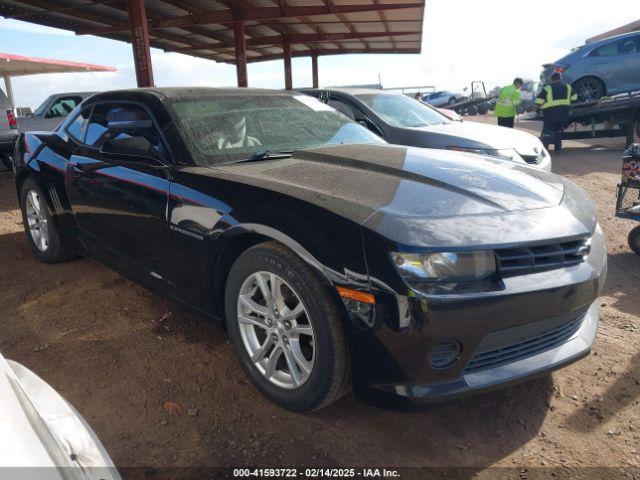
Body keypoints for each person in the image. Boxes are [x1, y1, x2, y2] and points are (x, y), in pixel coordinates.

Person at [535, 72, 577, 152]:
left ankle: (544, 150)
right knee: (558, 131)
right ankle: (558, 149)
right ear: (560, 78)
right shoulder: (568, 87)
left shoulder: (547, 88)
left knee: (547, 132)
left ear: (551, 79)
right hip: (563, 114)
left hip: (550, 114)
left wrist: (538, 110)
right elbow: (574, 98)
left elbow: (539, 101)